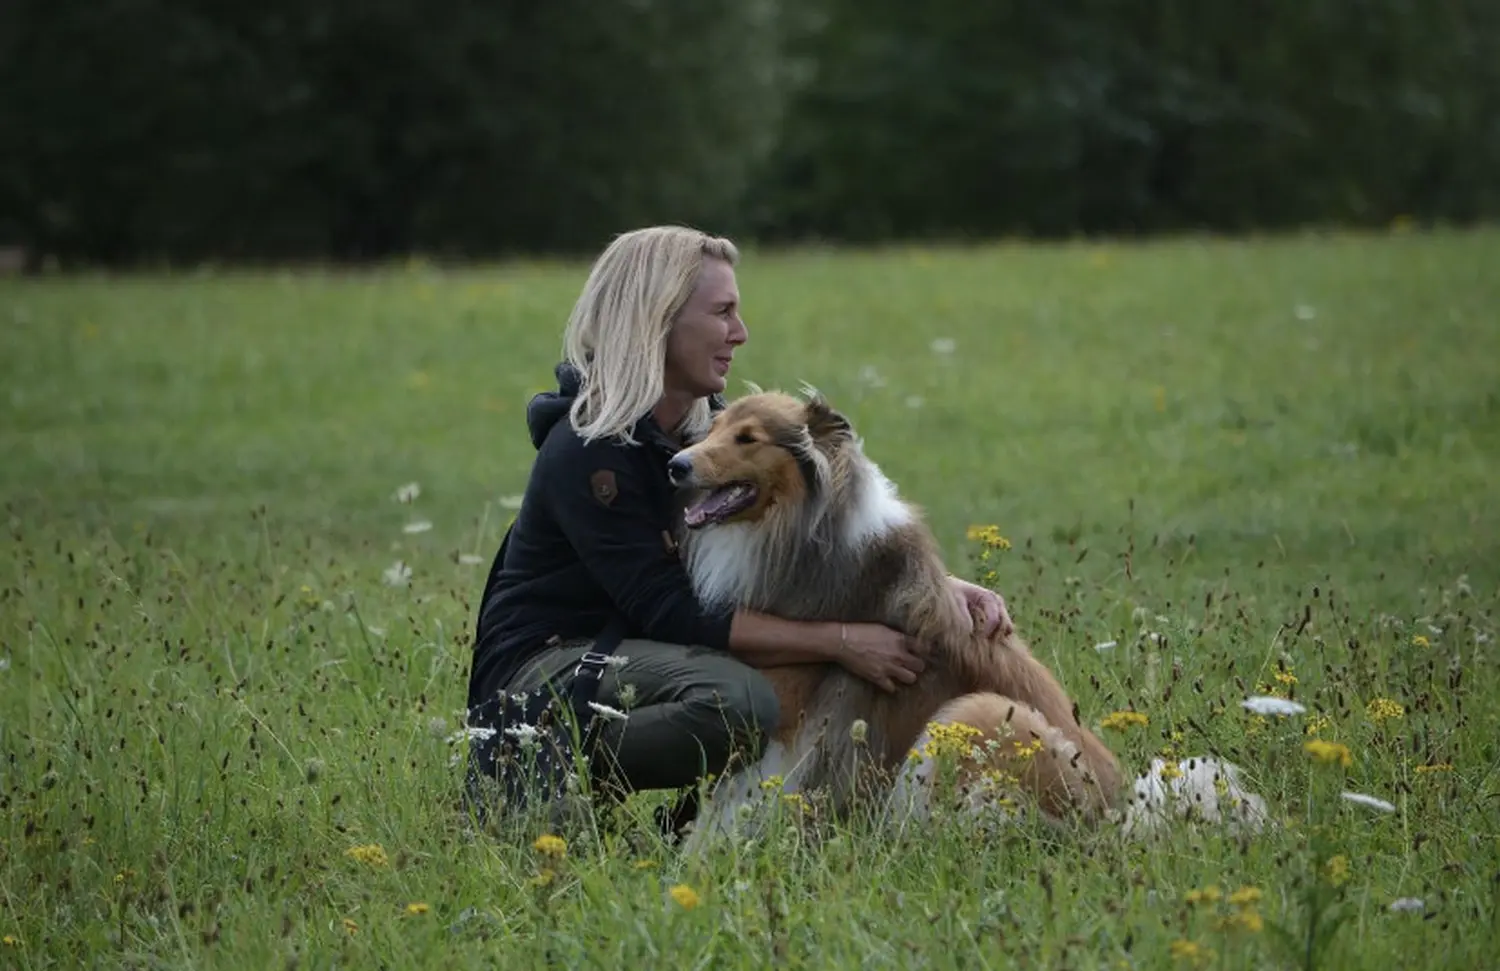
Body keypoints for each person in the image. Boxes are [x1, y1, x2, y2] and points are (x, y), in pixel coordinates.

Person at [465, 225, 1012, 830]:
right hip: (550, 667)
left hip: (633, 647)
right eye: (723, 312)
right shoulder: (589, 451)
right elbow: (675, 613)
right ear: (659, 319)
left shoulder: (707, 429)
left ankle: (702, 826)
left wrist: (933, 585)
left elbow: (810, 548)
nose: (740, 333)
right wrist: (845, 641)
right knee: (741, 701)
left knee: (764, 677)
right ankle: (537, 764)